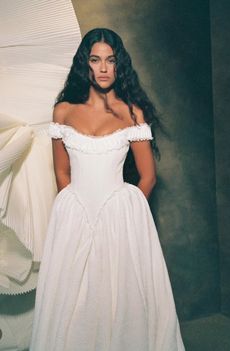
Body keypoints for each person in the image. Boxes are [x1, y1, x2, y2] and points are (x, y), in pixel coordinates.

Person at [29, 28, 185, 351]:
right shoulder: (63, 112)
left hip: (120, 222)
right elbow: (61, 171)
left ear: (119, 66)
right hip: (74, 217)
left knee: (121, 298)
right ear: (85, 65)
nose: (103, 68)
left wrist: (124, 216)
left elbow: (148, 177)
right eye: (95, 60)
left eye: (110, 61)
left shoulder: (132, 113)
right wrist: (78, 212)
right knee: (74, 300)